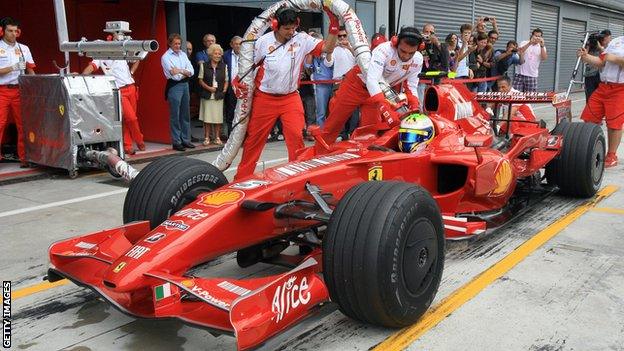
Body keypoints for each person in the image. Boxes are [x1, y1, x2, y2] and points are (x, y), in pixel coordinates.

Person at [231, 7, 338, 180]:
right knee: (254, 141)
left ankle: (297, 179)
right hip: (264, 98)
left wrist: (333, 26)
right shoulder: (263, 42)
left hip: (290, 98)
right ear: (275, 25)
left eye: (293, 28)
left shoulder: (302, 39)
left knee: (296, 137)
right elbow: (247, 66)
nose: (290, 32)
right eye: (286, 28)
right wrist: (236, 81)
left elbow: (327, 48)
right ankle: (241, 178)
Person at [321, 27, 424, 144]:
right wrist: (384, 106)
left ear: (419, 48)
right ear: (395, 43)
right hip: (355, 85)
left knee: (370, 131)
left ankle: (363, 158)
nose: (406, 56)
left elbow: (411, 86)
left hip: (377, 92)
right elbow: (372, 80)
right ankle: (320, 149)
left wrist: (415, 105)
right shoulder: (384, 50)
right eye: (403, 51)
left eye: (411, 53)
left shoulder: (418, 59)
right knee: (334, 122)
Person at [82, 47, 145, 155]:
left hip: (131, 87)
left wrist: (131, 71)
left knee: (129, 118)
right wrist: (81, 76)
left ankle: (128, 145)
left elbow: (137, 59)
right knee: (131, 118)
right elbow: (91, 67)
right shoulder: (100, 56)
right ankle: (139, 140)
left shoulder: (121, 51)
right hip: (119, 90)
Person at [577, 34, 624, 168]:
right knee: (589, 117)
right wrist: (585, 56)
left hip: (619, 88)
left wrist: (615, 58)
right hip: (603, 86)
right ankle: (593, 148)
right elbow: (601, 61)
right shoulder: (616, 41)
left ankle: (611, 155)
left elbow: (610, 58)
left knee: (614, 123)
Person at [0, 17, 35, 168]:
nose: (13, 34)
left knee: (24, 125)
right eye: (10, 31)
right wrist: (12, 67)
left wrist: (36, 86)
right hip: (2, 91)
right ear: (2, 31)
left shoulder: (24, 48)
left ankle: (25, 158)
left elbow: (30, 69)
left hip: (20, 90)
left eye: (16, 31)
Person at [161, 33, 195, 151]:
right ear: (170, 44)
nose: (177, 45)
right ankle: (176, 141)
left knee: (185, 114)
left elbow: (191, 71)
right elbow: (174, 76)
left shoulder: (183, 54)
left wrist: (180, 70)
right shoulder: (165, 57)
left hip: (185, 85)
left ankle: (185, 140)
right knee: (175, 115)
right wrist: (184, 71)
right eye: (175, 43)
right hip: (174, 86)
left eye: (179, 43)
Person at [325, 27, 358, 139]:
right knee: (338, 108)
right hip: (339, 81)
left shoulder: (353, 47)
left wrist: (349, 47)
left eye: (344, 35)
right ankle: (341, 133)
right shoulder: (334, 49)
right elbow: (328, 64)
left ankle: (352, 132)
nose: (342, 38)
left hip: (353, 82)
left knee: (354, 109)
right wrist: (330, 49)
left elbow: (360, 60)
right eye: (339, 36)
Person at [198, 44, 228, 146]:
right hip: (207, 95)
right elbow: (200, 80)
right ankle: (206, 138)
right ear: (211, 54)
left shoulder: (224, 66)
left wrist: (223, 90)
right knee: (207, 118)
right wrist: (209, 88)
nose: (218, 55)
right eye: (215, 53)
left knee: (218, 118)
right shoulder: (204, 65)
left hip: (218, 95)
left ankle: (217, 138)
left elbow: (226, 80)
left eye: (219, 54)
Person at [309, 32, 333, 127]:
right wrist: (310, 52)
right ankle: (321, 131)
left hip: (334, 82)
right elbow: (307, 65)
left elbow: (330, 63)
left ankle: (332, 130)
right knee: (321, 111)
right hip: (320, 84)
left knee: (333, 109)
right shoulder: (312, 54)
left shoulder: (330, 50)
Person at [513, 28, 548, 92]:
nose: (537, 38)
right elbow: (520, 51)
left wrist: (542, 46)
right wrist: (530, 43)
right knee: (516, 96)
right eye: (535, 36)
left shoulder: (542, 47)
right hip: (519, 74)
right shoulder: (524, 42)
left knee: (530, 97)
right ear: (532, 35)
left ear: (541, 37)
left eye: (539, 36)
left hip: (532, 75)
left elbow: (544, 58)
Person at [223, 35, 242, 137]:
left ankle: (243, 135)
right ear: (231, 45)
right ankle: (231, 135)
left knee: (243, 111)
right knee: (231, 111)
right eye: (236, 44)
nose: (238, 46)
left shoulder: (247, 55)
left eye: (240, 44)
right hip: (231, 87)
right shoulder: (225, 55)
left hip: (243, 88)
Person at [583, 30, 610, 101]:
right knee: (590, 97)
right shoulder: (589, 46)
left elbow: (606, 56)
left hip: (601, 75)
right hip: (590, 74)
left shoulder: (609, 47)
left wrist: (600, 47)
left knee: (601, 97)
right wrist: (587, 46)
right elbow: (583, 60)